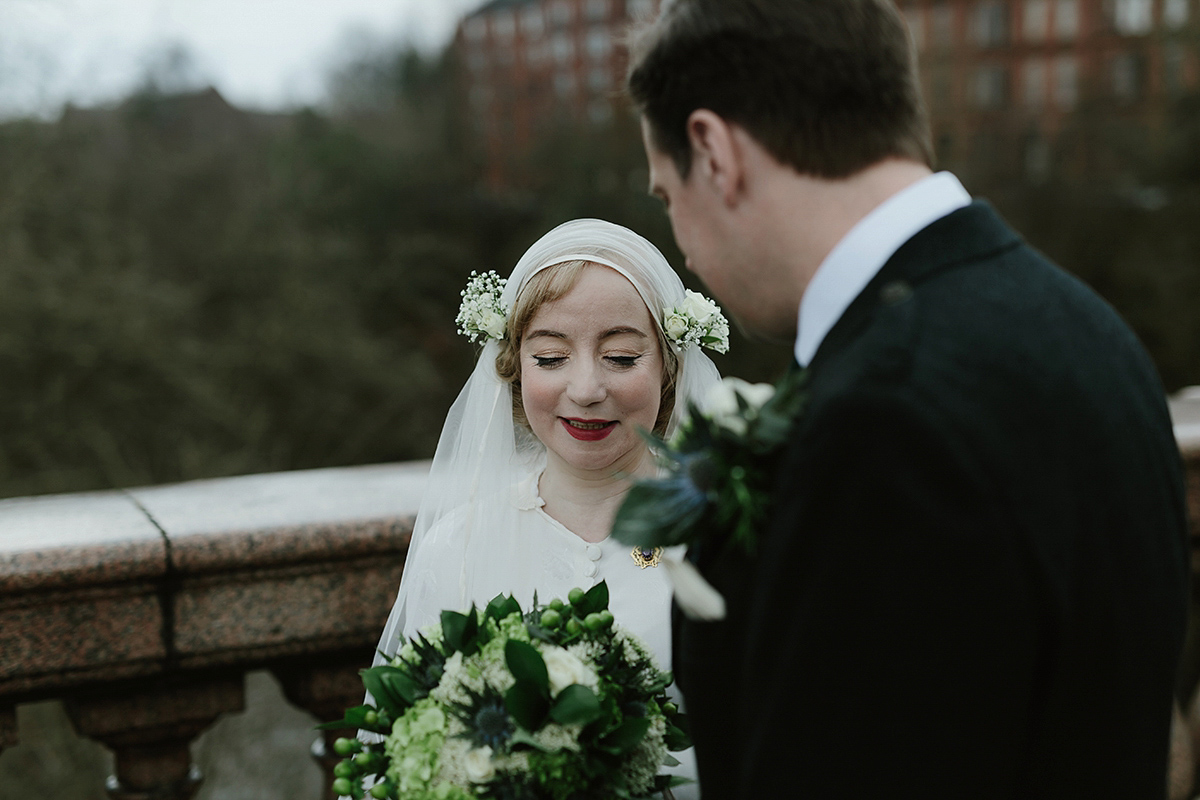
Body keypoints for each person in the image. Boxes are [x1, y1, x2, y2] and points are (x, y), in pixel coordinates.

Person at [625, 1, 1190, 798]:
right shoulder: (1089, 326)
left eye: (663, 194)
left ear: (714, 152)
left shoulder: (878, 424)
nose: (680, 240)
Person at [374, 218, 724, 797]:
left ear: (669, 369)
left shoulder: (723, 542)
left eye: (619, 356)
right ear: (512, 369)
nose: (585, 388)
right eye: (550, 357)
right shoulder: (455, 548)